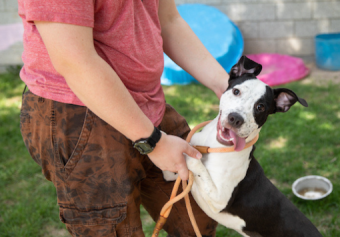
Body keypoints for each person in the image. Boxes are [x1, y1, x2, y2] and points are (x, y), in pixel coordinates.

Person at [18, 0, 229, 236]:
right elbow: (75, 61)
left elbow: (168, 20)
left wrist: (226, 85)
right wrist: (152, 142)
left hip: (149, 106)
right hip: (80, 115)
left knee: (198, 220)